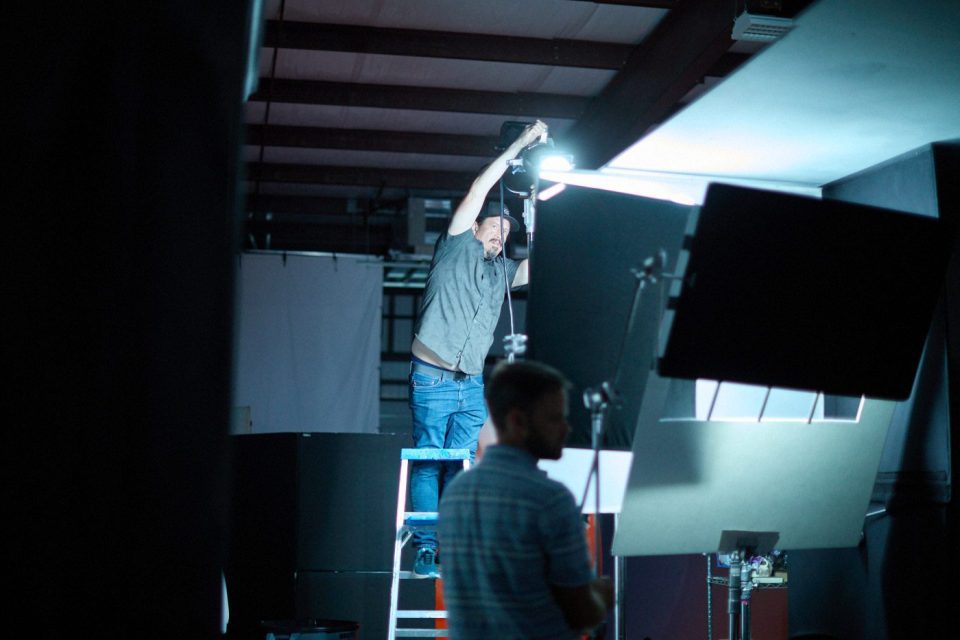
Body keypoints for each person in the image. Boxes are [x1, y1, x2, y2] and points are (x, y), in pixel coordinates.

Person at [408, 120, 548, 578]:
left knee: (459, 466)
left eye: (506, 235)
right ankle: (427, 547)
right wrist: (521, 144)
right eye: (493, 228)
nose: (499, 238)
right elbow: (479, 186)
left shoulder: (500, 272)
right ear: (475, 227)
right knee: (430, 461)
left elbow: (543, 262)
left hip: (470, 384)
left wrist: (534, 210)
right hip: (432, 375)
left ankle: (450, 543)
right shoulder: (455, 247)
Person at [438, 360, 613, 639]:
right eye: (555, 419)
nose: (566, 429)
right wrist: (604, 594)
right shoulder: (550, 501)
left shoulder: (455, 494)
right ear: (518, 421)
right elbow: (582, 613)